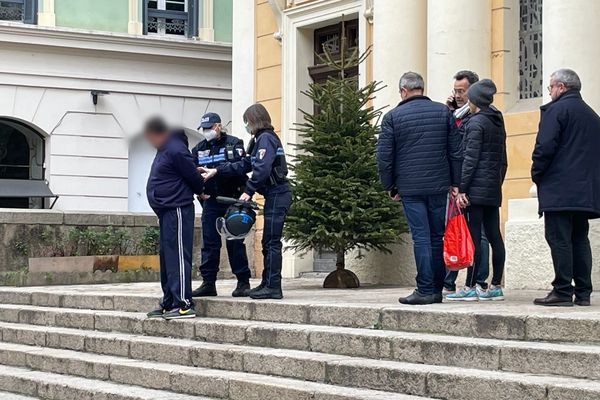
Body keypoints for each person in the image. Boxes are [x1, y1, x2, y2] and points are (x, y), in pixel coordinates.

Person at [377, 72, 462, 305]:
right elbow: (455, 151)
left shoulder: (392, 117)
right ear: (421, 89)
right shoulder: (443, 112)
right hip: (438, 186)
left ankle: (424, 289)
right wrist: (455, 183)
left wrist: (390, 186)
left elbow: (384, 156)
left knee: (421, 237)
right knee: (437, 236)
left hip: (410, 188)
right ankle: (436, 289)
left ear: (403, 91)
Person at [200, 103, 291, 300]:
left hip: (278, 193)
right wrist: (218, 170)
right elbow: (246, 163)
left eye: (247, 121)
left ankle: (273, 286)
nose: (246, 125)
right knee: (268, 241)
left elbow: (262, 169)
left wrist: (248, 191)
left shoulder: (266, 139)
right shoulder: (260, 139)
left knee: (271, 242)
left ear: (254, 120)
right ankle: (267, 283)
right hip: (273, 194)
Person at [532, 69, 600, 307]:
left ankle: (562, 290)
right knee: (580, 238)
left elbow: (545, 146)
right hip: (584, 190)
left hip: (559, 187)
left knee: (558, 238)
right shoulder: (592, 115)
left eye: (550, 87)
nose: (549, 92)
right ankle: (583, 292)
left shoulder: (556, 110)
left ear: (561, 87)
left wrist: (536, 173)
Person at [447, 79, 507, 302]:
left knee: (473, 239)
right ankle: (496, 286)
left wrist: (462, 188)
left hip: (475, 191)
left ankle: (470, 286)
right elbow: (503, 160)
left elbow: (469, 159)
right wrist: (496, 183)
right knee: (495, 237)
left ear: (475, 100)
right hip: (492, 189)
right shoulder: (497, 121)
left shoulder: (475, 123)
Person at [144, 117, 205, 319]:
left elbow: (192, 176)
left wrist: (201, 190)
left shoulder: (176, 148)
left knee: (178, 256)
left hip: (177, 207)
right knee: (167, 257)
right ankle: (169, 301)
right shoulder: (165, 149)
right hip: (166, 210)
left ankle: (184, 304)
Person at [190, 112, 252, 298]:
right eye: (204, 129)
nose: (207, 131)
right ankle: (208, 282)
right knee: (209, 243)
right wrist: (199, 189)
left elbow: (243, 166)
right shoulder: (199, 149)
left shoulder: (234, 143)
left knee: (235, 242)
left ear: (218, 126)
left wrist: (217, 171)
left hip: (233, 200)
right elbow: (191, 172)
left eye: (210, 128)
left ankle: (243, 282)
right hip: (211, 201)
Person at [443, 70, 491, 294]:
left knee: (477, 234)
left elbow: (469, 153)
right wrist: (449, 112)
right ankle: (449, 279)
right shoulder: (457, 114)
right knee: (456, 229)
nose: (458, 95)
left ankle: (478, 280)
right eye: (455, 91)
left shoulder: (478, 116)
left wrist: (463, 186)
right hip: (457, 181)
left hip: (472, 184)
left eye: (462, 91)